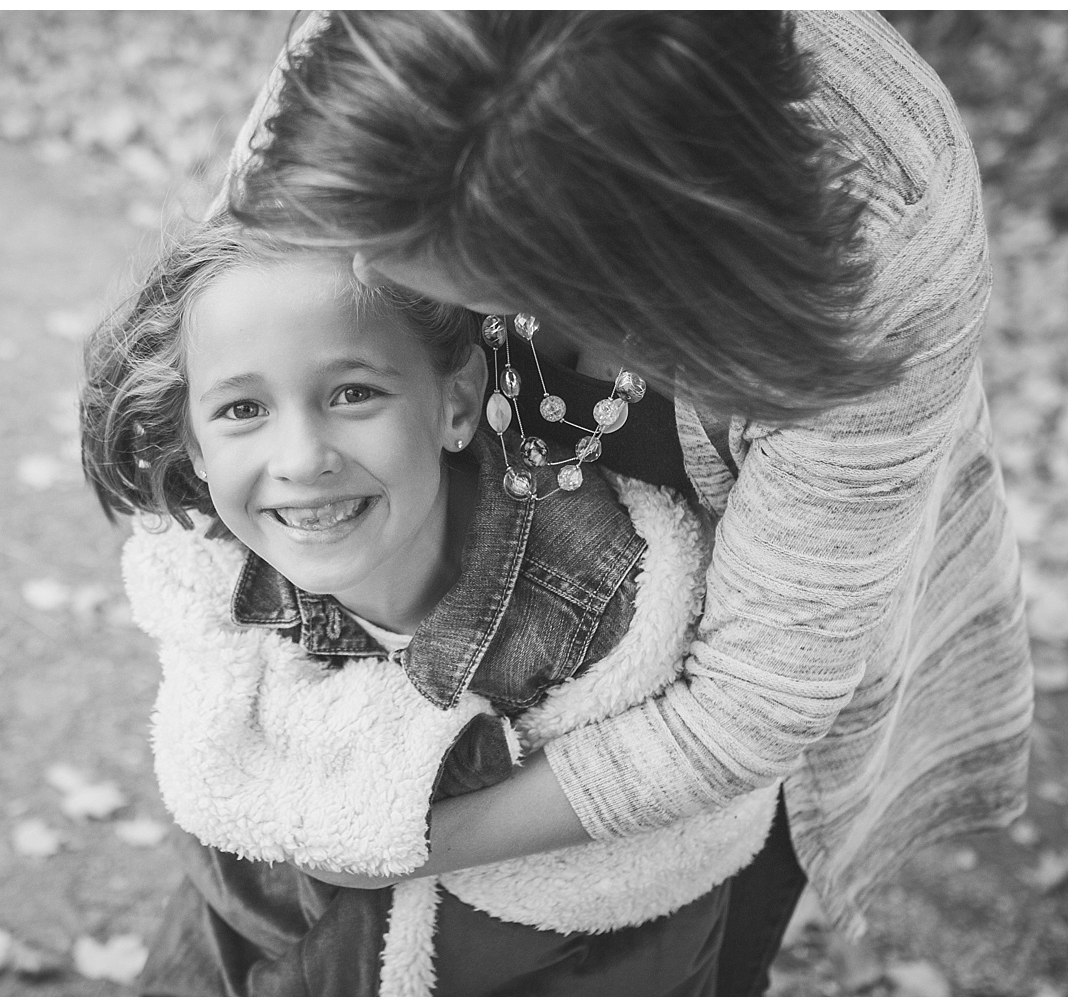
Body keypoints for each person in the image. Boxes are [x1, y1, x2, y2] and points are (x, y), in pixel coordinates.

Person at [223, 9, 1034, 994]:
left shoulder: (877, 250)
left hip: (671, 787)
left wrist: (404, 839)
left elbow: (753, 697)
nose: (345, 273)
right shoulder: (378, 53)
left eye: (398, 253)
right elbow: (231, 305)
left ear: (588, 276)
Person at [79, 215, 780, 994]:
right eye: (243, 409)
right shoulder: (218, 589)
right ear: (197, 446)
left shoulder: (605, 603)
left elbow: (664, 841)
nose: (303, 459)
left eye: (353, 393)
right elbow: (229, 916)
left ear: (455, 404)